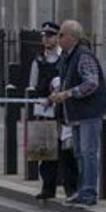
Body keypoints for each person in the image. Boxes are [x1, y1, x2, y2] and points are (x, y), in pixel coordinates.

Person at [48, 19, 106, 207]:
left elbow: (92, 83)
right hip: (75, 113)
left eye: (61, 35)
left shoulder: (83, 56)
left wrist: (68, 94)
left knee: (88, 153)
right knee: (80, 154)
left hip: (88, 113)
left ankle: (89, 192)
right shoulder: (68, 57)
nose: (58, 38)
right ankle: (82, 190)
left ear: (72, 37)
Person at [29, 21, 77, 200]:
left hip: (63, 110)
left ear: (58, 37)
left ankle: (71, 188)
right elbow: (32, 86)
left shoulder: (64, 58)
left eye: (50, 36)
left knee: (67, 151)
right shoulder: (38, 60)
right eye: (44, 36)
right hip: (44, 110)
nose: (46, 39)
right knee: (45, 153)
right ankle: (47, 188)